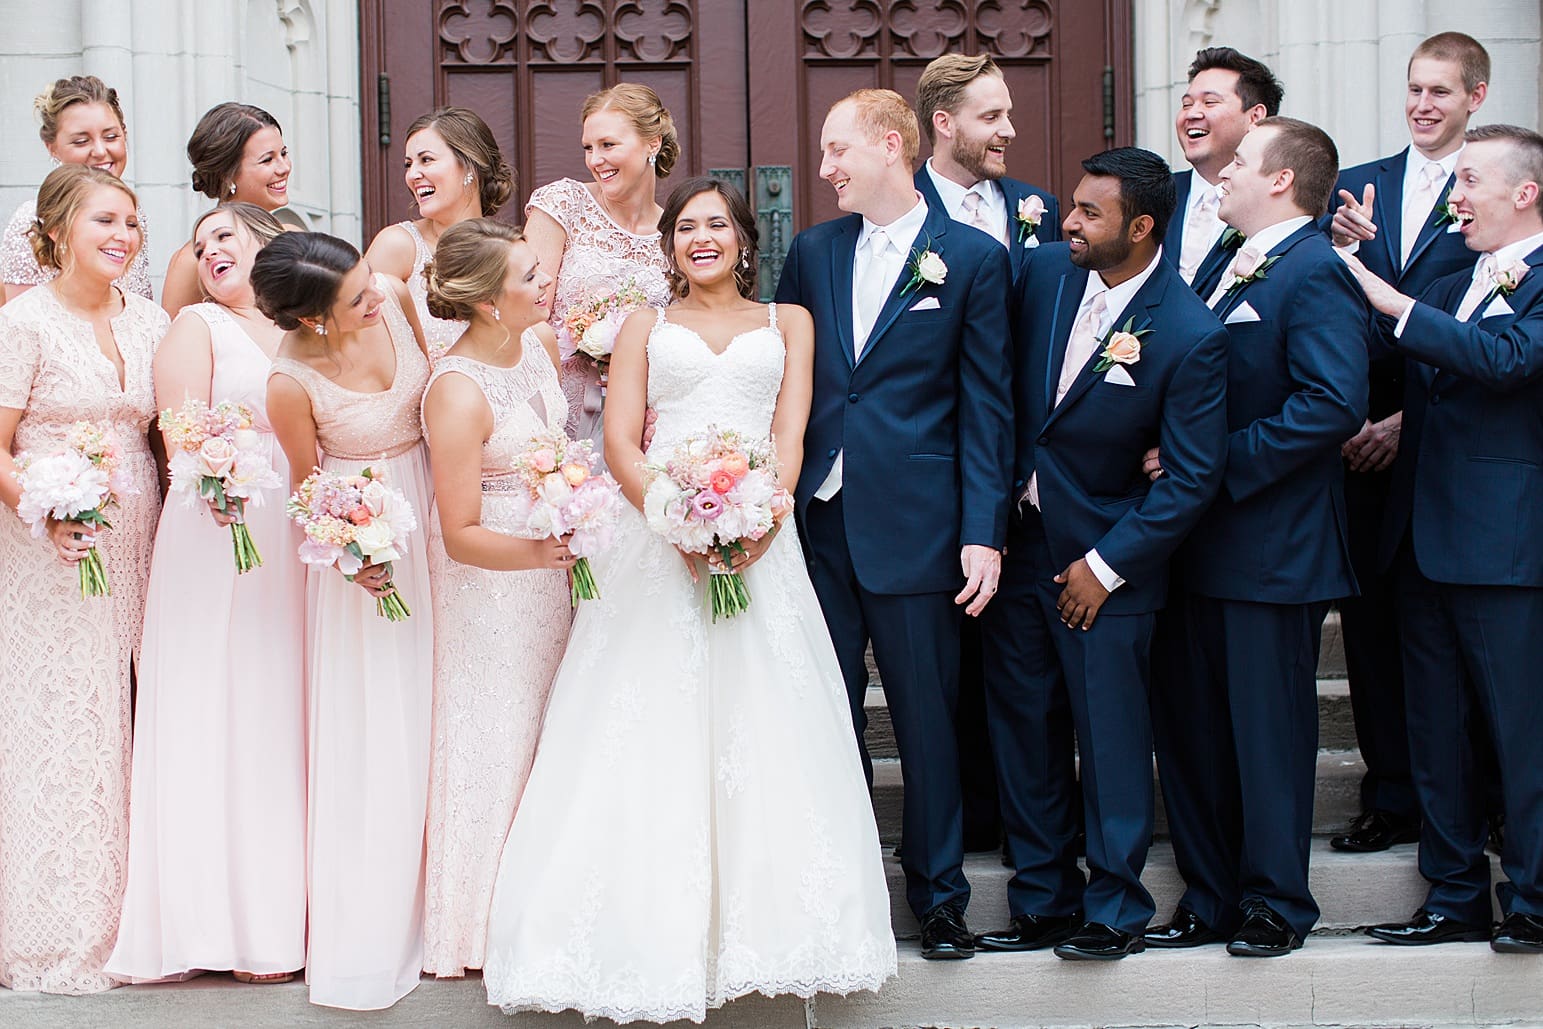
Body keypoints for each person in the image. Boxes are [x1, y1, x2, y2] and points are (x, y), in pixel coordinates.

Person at [482, 178, 895, 1022]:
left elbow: (790, 437)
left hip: (761, 545)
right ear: (668, 245)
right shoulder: (645, 325)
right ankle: (637, 931)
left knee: (767, 723)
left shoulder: (790, 323)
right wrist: (674, 519)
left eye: (715, 224)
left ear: (746, 238)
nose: (699, 237)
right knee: (640, 720)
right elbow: (619, 440)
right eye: (684, 228)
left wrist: (755, 522)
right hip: (655, 543)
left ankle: (768, 933)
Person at [775, 89, 1014, 961]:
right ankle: (838, 895)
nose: (826, 166)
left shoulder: (973, 259)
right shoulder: (811, 251)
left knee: (926, 721)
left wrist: (982, 529)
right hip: (817, 529)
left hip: (921, 529)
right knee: (824, 716)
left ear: (888, 144)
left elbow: (987, 406)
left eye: (837, 149)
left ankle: (940, 898)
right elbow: (789, 384)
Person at [975, 147, 1228, 961]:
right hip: (1019, 548)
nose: (1069, 222)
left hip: (1107, 572)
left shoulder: (1189, 333)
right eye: (1071, 206)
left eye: (1089, 212)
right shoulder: (1044, 274)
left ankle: (1115, 907)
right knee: (1025, 729)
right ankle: (1042, 898)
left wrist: (1106, 566)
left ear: (1142, 227)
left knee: (1112, 739)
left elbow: (1188, 481)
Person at [1146, 117, 1369, 957]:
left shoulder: (1314, 269)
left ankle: (1275, 901)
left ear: (1280, 180)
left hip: (1271, 547)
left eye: (1239, 161)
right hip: (1194, 545)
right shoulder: (1218, 259)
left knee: (1267, 735)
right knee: (1194, 730)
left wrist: (1210, 464)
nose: (1222, 172)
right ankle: (1208, 896)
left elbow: (1330, 402)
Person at [1339, 124, 1543, 954]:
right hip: (1419, 540)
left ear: (1523, 193)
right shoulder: (1461, 275)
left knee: (1520, 734)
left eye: (1467, 181)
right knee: (1434, 732)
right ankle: (1453, 892)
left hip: (1505, 549)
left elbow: (1505, 359)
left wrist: (1393, 303)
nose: (1452, 196)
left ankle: (1530, 896)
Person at [106, 203, 305, 986]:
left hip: (290, 527)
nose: (211, 250)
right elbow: (181, 432)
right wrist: (220, 476)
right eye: (200, 244)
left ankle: (273, 923)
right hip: (217, 519)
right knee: (210, 700)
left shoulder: (300, 328)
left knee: (272, 708)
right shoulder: (194, 325)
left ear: (268, 241)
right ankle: (203, 923)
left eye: (226, 235)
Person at [0, 164, 168, 993]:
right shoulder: (24, 321)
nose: (123, 236)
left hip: (141, 537)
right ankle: (57, 931)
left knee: (135, 716)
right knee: (67, 718)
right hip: (50, 543)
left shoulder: (154, 320)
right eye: (106, 219)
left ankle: (144, 923)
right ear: (60, 228)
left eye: (132, 223)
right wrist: (46, 507)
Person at [1324, 31, 1491, 855]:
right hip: (1356, 437)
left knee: (1453, 631)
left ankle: (1475, 796)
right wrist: (1353, 417)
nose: (1423, 105)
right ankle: (1389, 793)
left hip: (1444, 435)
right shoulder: (1359, 187)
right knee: (1371, 626)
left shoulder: (1490, 188)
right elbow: (1336, 310)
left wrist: (1406, 422)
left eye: (1441, 92)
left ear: (1475, 99)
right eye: (1414, 89)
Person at [260, 233, 434, 1010]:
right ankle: (375, 911)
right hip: (367, 549)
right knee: (380, 724)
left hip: (438, 511)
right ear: (317, 321)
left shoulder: (395, 298)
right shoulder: (289, 382)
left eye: (368, 281)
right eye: (355, 297)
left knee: (443, 704)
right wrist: (349, 552)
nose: (375, 297)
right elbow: (304, 490)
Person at [913, 51, 1062, 855]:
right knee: (947, 662)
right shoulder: (896, 216)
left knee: (1024, 668)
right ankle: (964, 818)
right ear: (944, 123)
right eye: (991, 116)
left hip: (1034, 475)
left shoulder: (1038, 211)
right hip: (935, 475)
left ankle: (1029, 825)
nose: (1008, 129)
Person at [419, 219, 575, 977]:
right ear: (486, 301)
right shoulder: (454, 390)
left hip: (556, 578)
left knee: (551, 731)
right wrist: (540, 552)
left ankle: (541, 908)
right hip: (493, 592)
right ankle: (475, 926)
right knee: (497, 733)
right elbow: (458, 532)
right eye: (527, 276)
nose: (544, 282)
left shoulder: (538, 350)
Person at [524, 83, 675, 452]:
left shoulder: (676, 231)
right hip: (553, 407)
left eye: (608, 145)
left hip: (642, 422)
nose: (595, 159)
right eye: (588, 148)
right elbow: (525, 312)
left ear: (652, 142)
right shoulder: (563, 203)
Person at [365, 107, 517, 363]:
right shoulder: (398, 245)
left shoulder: (511, 252)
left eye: (426, 160)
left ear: (469, 163)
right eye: (408, 164)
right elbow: (357, 339)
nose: (413, 175)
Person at [1, 76, 153, 304]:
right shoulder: (32, 220)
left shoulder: (133, 214)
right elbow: (20, 325)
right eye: (82, 141)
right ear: (52, 147)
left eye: (111, 137)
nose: (100, 151)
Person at [1164, 48, 1283, 300]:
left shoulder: (1281, 207)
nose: (1192, 114)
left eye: (1210, 102)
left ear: (1255, 117)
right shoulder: (1154, 196)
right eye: (1186, 104)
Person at [161, 103, 293, 316]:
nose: (284, 168)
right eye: (267, 160)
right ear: (227, 175)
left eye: (284, 153)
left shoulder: (291, 235)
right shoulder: (191, 262)